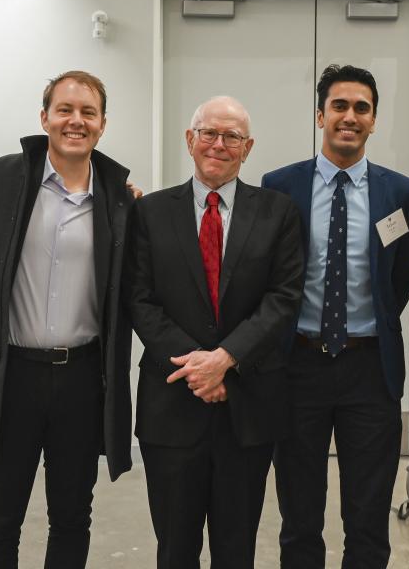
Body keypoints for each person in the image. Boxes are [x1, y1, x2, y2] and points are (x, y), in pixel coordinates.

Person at [0, 71, 134, 569]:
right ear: (44, 117)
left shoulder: (118, 200)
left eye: (88, 112)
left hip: (82, 379)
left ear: (103, 124)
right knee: (0, 516)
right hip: (13, 378)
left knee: (72, 516)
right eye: (65, 110)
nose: (76, 121)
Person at [128, 95, 304, 569]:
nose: (219, 144)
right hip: (171, 407)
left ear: (248, 148)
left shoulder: (278, 213)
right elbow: (139, 301)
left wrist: (225, 358)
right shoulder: (149, 213)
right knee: (174, 549)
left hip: (246, 407)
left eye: (232, 137)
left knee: (236, 549)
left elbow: (283, 297)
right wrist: (198, 367)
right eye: (209, 133)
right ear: (190, 140)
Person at [261, 64, 409, 569]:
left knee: (368, 516)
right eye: (339, 106)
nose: (349, 117)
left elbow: (399, 280)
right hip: (297, 366)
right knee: (300, 514)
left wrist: (362, 329)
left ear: (374, 120)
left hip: (369, 370)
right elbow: (268, 273)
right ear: (320, 115)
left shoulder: (401, 193)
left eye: (362, 108)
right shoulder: (279, 186)